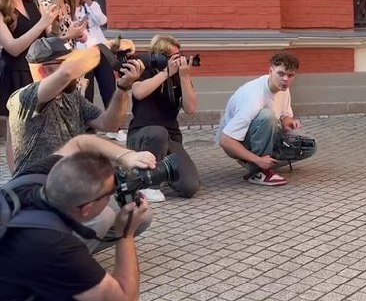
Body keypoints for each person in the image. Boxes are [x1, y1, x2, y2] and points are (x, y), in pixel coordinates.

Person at [0, 134, 154, 301]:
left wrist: (126, 156)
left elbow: (80, 143)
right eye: (111, 192)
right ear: (87, 209)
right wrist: (125, 234)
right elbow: (125, 300)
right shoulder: (57, 247)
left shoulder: (30, 179)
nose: (114, 194)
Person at [6, 36, 144, 174]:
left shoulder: (72, 97)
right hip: (39, 183)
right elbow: (67, 72)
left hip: (70, 179)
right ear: (44, 71)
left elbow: (109, 124)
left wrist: (123, 88)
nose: (79, 70)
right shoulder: (25, 97)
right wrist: (107, 46)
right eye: (69, 62)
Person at [127, 34, 200, 202]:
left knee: (190, 186)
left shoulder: (179, 75)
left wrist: (184, 77)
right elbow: (138, 92)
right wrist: (166, 73)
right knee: (158, 133)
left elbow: (190, 109)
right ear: (161, 57)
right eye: (174, 56)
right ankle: (147, 185)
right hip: (143, 135)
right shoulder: (144, 67)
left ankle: (162, 171)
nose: (178, 60)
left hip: (170, 138)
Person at [0, 0, 56, 171]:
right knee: (16, 129)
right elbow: (13, 47)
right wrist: (42, 23)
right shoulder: (2, 9)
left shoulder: (30, 2)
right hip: (15, 72)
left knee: (42, 125)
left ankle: (39, 169)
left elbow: (46, 37)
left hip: (38, 71)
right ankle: (16, 176)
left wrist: (67, 32)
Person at [216, 52, 305, 186]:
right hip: (237, 141)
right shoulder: (253, 97)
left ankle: (259, 161)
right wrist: (257, 160)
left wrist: (289, 123)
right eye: (281, 74)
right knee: (267, 116)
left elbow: (284, 116)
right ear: (271, 71)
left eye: (290, 75)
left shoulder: (283, 88)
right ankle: (258, 170)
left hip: (264, 135)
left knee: (308, 145)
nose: (286, 79)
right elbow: (225, 140)